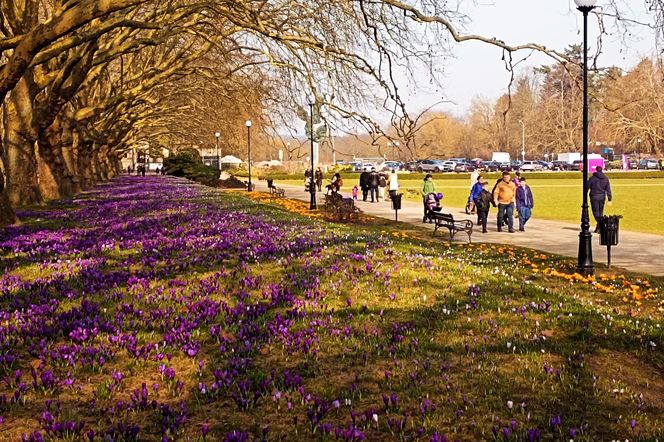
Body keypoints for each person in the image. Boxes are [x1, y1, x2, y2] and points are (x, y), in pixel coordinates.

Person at [587, 166, 612, 232]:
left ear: (596, 170)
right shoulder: (605, 178)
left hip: (594, 197)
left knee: (596, 213)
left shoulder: (592, 178)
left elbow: (587, 187)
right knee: (600, 212)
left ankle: (601, 225)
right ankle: (599, 227)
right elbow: (608, 189)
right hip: (602, 197)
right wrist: (609, 198)